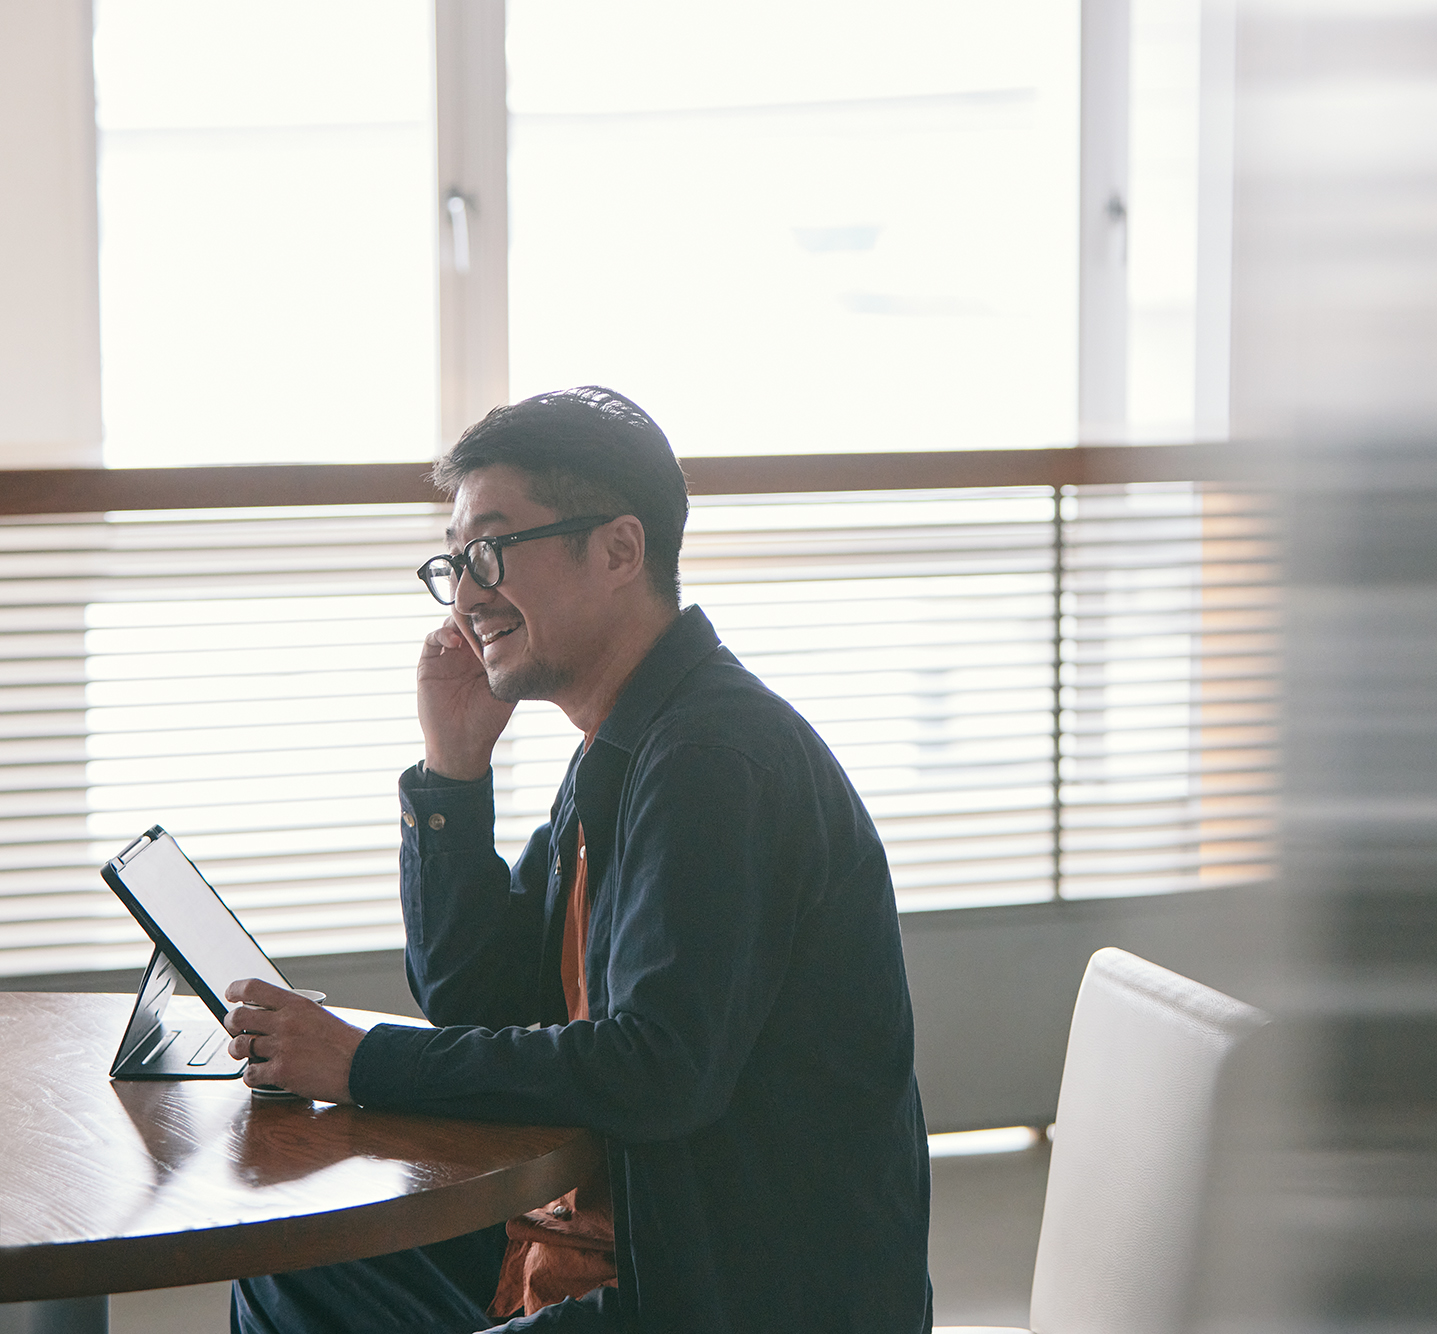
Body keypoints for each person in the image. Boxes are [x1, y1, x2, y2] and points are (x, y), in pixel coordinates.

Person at [221, 386, 933, 1333]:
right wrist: (454, 774)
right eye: (455, 562)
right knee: (292, 1268)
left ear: (620, 550)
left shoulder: (712, 761)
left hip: (728, 1292)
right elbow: (483, 999)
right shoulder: (623, 747)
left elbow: (655, 1071)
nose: (467, 593)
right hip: (627, 1236)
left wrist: (364, 1062)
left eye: (491, 549)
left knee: (296, 1278)